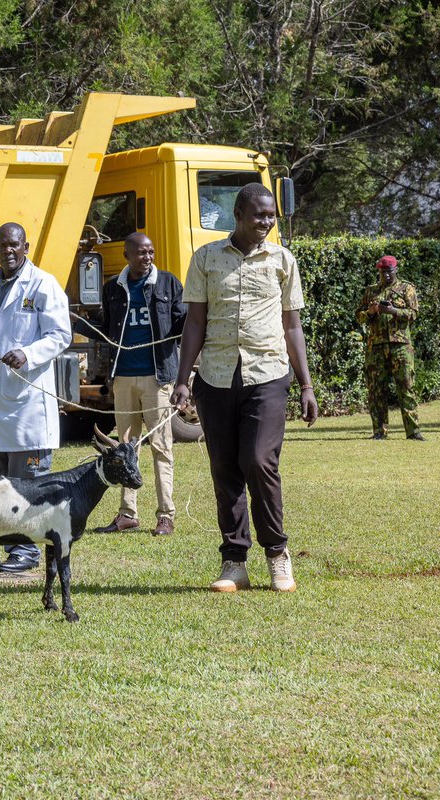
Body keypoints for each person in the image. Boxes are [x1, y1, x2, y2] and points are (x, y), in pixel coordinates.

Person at [171, 183, 318, 593]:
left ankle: (277, 555)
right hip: (215, 377)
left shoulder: (282, 260)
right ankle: (234, 561)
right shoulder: (206, 258)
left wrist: (306, 385)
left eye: (271, 216)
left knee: (258, 461)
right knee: (226, 470)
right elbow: (195, 323)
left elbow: (292, 325)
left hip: (268, 374)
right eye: (259, 215)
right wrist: (183, 380)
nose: (266, 222)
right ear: (238, 215)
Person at [0, 222, 73, 573]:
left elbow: (60, 335)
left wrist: (29, 353)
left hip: (27, 406)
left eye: (15, 245)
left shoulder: (43, 284)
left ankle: (26, 551)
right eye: (2, 246)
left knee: (27, 486)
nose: (8, 251)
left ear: (26, 246)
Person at [77, 232, 185, 536]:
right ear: (127, 255)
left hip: (157, 376)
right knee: (125, 448)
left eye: (151, 251)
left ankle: (166, 515)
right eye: (140, 252)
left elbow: (183, 322)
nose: (147, 257)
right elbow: (107, 329)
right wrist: (74, 321)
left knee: (161, 446)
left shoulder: (168, 284)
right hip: (123, 378)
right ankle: (128, 513)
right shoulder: (113, 288)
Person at [356, 255, 423, 440]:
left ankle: (413, 431)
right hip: (376, 346)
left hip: (400, 346)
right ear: (379, 271)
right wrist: (371, 312)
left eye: (389, 271)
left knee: (406, 388)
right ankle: (379, 432)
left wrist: (393, 310)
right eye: (382, 271)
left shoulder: (406, 289)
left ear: (396, 270)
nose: (385, 275)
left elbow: (413, 313)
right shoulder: (371, 291)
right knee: (376, 390)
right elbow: (359, 316)